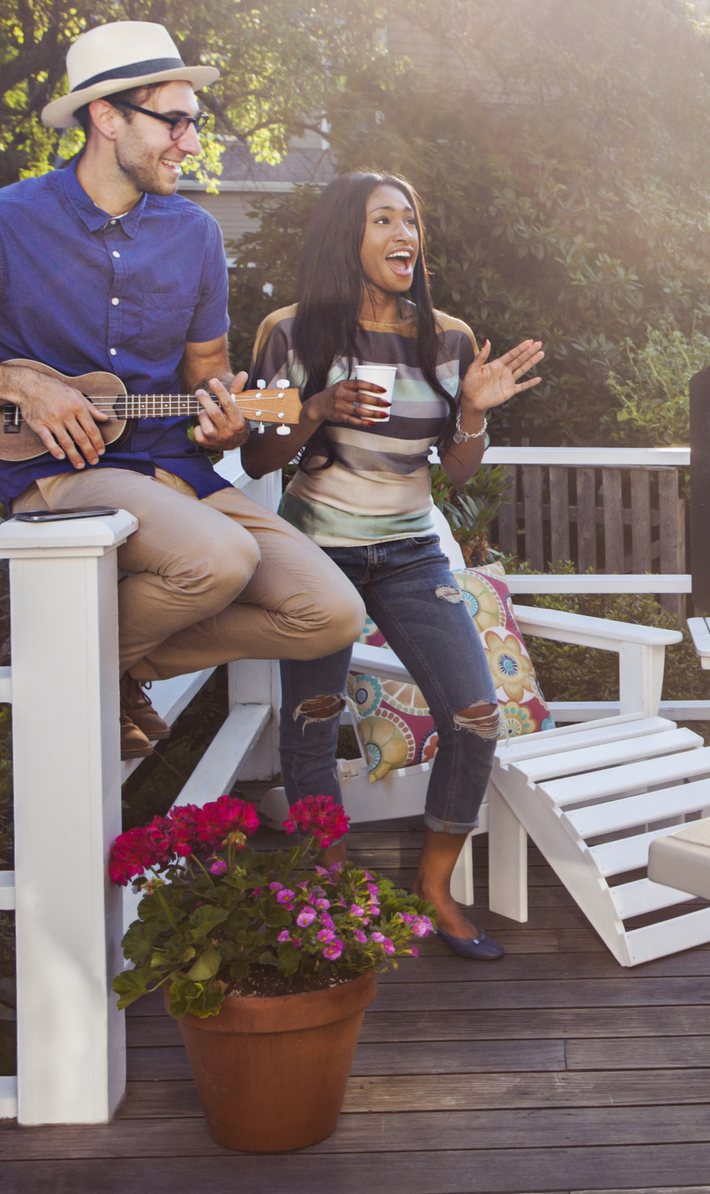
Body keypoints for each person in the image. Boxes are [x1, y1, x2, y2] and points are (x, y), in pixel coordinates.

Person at [0, 21, 363, 759]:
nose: (191, 144)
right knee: (222, 558)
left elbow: (206, 375)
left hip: (175, 469)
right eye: (174, 121)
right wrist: (12, 382)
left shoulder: (195, 235)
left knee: (329, 613)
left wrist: (226, 422)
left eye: (191, 124)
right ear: (106, 117)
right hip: (55, 470)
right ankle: (90, 666)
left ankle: (110, 666)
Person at [244, 172, 543, 961]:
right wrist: (315, 409)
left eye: (410, 217)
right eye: (383, 219)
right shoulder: (291, 332)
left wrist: (473, 411)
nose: (403, 232)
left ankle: (432, 886)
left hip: (411, 550)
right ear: (349, 236)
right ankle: (327, 891)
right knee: (310, 729)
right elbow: (254, 448)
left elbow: (461, 474)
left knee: (477, 718)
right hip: (316, 551)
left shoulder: (443, 337)